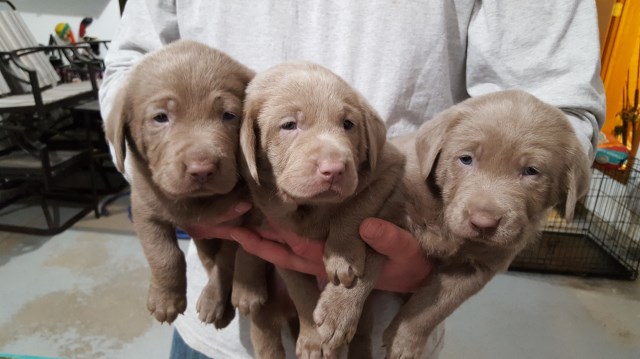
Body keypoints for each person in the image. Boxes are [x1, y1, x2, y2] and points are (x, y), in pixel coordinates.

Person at [99, 1, 605, 358]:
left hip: (396, 295)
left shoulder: (387, 161)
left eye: (346, 127)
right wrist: (160, 180)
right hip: (219, 319)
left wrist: (445, 260)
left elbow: (554, 116)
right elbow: (129, 65)